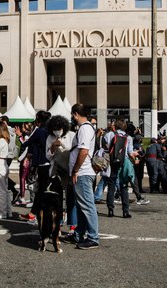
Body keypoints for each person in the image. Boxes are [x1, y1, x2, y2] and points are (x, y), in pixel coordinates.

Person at [67, 103, 100, 250]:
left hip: (83, 173)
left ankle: (93, 237)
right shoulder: (85, 128)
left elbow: (84, 151)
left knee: (87, 205)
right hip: (83, 172)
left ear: (75, 114)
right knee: (82, 206)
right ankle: (79, 233)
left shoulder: (85, 129)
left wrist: (75, 170)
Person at [45, 115, 76, 234]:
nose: (56, 130)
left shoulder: (72, 135)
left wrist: (63, 146)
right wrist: (52, 147)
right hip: (56, 170)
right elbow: (47, 156)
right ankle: (57, 223)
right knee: (56, 198)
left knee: (71, 198)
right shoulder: (49, 137)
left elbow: (73, 152)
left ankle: (73, 225)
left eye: (59, 128)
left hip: (69, 169)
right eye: (54, 128)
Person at [19, 110, 51, 222]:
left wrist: (20, 136)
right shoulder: (50, 131)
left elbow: (26, 142)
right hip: (51, 162)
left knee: (41, 190)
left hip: (42, 162)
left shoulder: (39, 131)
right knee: (45, 189)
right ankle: (34, 213)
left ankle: (37, 214)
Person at [105, 119, 135, 218]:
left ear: (116, 126)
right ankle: (125, 211)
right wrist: (134, 159)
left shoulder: (110, 134)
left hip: (113, 162)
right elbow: (130, 153)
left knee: (111, 186)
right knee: (124, 187)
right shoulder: (129, 137)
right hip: (124, 162)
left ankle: (110, 210)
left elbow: (106, 147)